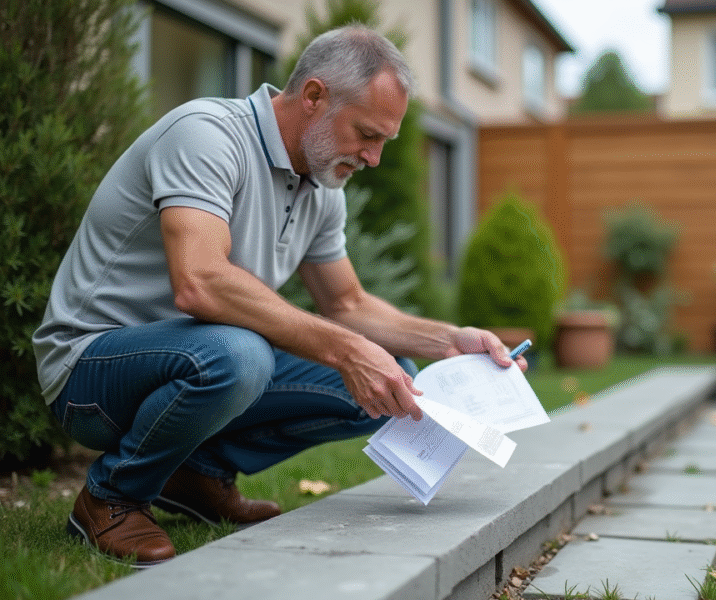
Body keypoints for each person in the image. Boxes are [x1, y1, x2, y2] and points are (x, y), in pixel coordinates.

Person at [32, 25, 525, 568]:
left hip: (193, 362)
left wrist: (450, 341)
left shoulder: (322, 185)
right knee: (241, 355)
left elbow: (348, 306)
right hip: (89, 372)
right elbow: (199, 281)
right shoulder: (207, 134)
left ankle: (195, 474)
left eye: (384, 140)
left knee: (390, 380)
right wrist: (345, 350)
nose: (375, 157)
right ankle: (112, 497)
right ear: (313, 96)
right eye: (367, 133)